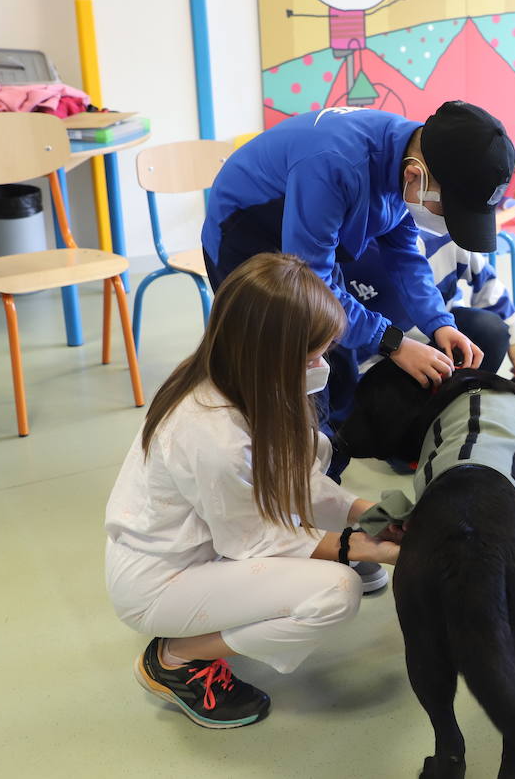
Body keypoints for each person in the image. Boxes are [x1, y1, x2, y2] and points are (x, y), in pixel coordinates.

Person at [104, 254, 403, 729]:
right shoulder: (211, 433)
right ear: (274, 356)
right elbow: (256, 539)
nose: (320, 366)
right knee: (335, 592)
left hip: (208, 544)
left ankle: (204, 629)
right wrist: (362, 547)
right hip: (160, 581)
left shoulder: (240, 379)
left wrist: (368, 514)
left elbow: (296, 480)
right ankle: (176, 656)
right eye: (312, 357)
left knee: (316, 452)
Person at [201, 102, 512, 468]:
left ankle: (332, 457)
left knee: (335, 352)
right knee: (290, 367)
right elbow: (314, 286)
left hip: (305, 231)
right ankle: (303, 480)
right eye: (448, 209)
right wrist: (395, 343)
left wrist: (437, 321)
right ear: (416, 176)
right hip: (245, 237)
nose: (444, 220)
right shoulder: (335, 164)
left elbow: (405, 256)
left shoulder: (412, 152)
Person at [340, 226, 515, 376]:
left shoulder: (447, 235)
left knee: (491, 329)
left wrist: (514, 339)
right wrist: (396, 347)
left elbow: (488, 282)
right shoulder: (351, 254)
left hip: (444, 337)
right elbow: (343, 322)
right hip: (382, 352)